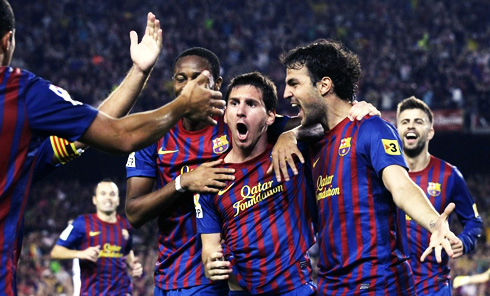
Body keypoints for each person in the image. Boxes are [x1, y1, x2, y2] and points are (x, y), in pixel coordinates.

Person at [0, 1, 223, 294]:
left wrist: (138, 72)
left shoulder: (24, 149)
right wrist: (183, 103)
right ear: (8, 40)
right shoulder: (19, 91)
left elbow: (91, 131)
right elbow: (119, 136)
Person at [125, 47, 377, 295]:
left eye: (200, 79)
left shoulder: (239, 119)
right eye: (182, 79)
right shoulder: (154, 135)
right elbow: (134, 213)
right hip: (172, 273)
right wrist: (183, 182)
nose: (190, 87)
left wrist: (354, 110)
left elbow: (324, 120)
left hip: (222, 280)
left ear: (217, 84)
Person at [276, 39, 458, 294]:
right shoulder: (311, 143)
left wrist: (434, 223)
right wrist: (291, 135)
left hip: (377, 282)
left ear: (325, 85)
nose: (286, 94)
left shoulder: (371, 128)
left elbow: (401, 186)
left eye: (294, 83)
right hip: (331, 285)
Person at [196, 72, 317, 295]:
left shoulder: (291, 154)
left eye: (251, 104)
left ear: (271, 116)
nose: (240, 111)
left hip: (294, 289)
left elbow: (332, 122)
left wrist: (292, 135)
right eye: (234, 103)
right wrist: (212, 263)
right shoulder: (211, 178)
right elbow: (209, 249)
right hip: (241, 291)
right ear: (225, 115)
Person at [396, 96, 483, 295]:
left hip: (433, 287)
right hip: (391, 286)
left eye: (418, 122)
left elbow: (473, 221)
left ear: (430, 132)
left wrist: (464, 241)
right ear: (397, 131)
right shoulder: (382, 174)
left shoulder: (449, 175)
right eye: (405, 122)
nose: (411, 127)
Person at [51, 179, 142, 295]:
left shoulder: (125, 225)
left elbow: (127, 249)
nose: (108, 197)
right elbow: (56, 252)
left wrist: (133, 265)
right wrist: (80, 254)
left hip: (122, 292)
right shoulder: (81, 223)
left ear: (118, 200)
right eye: (103, 194)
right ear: (95, 199)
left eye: (112, 194)